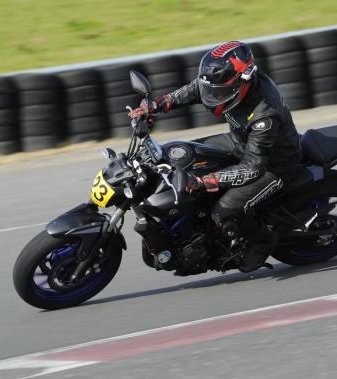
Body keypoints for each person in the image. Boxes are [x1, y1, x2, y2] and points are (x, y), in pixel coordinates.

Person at [128, 41, 302, 273]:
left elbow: (253, 167)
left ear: (244, 81)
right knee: (181, 154)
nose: (212, 96)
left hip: (274, 165)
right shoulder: (228, 83)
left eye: (219, 91)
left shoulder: (264, 115)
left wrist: (203, 182)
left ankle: (262, 241)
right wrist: (156, 106)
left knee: (224, 209)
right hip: (240, 143)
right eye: (212, 89)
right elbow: (195, 90)